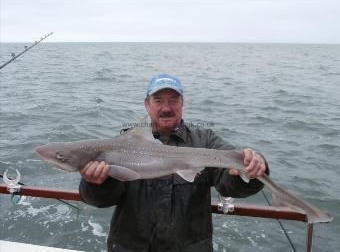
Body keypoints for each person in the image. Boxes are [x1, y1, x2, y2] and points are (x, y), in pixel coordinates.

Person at [79, 73, 269, 252]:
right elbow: (101, 201)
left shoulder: (205, 141)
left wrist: (253, 169)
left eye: (173, 100)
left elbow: (231, 186)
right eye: (158, 100)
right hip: (131, 247)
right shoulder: (122, 144)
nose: (166, 108)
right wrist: (96, 183)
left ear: (182, 103)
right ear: (147, 104)